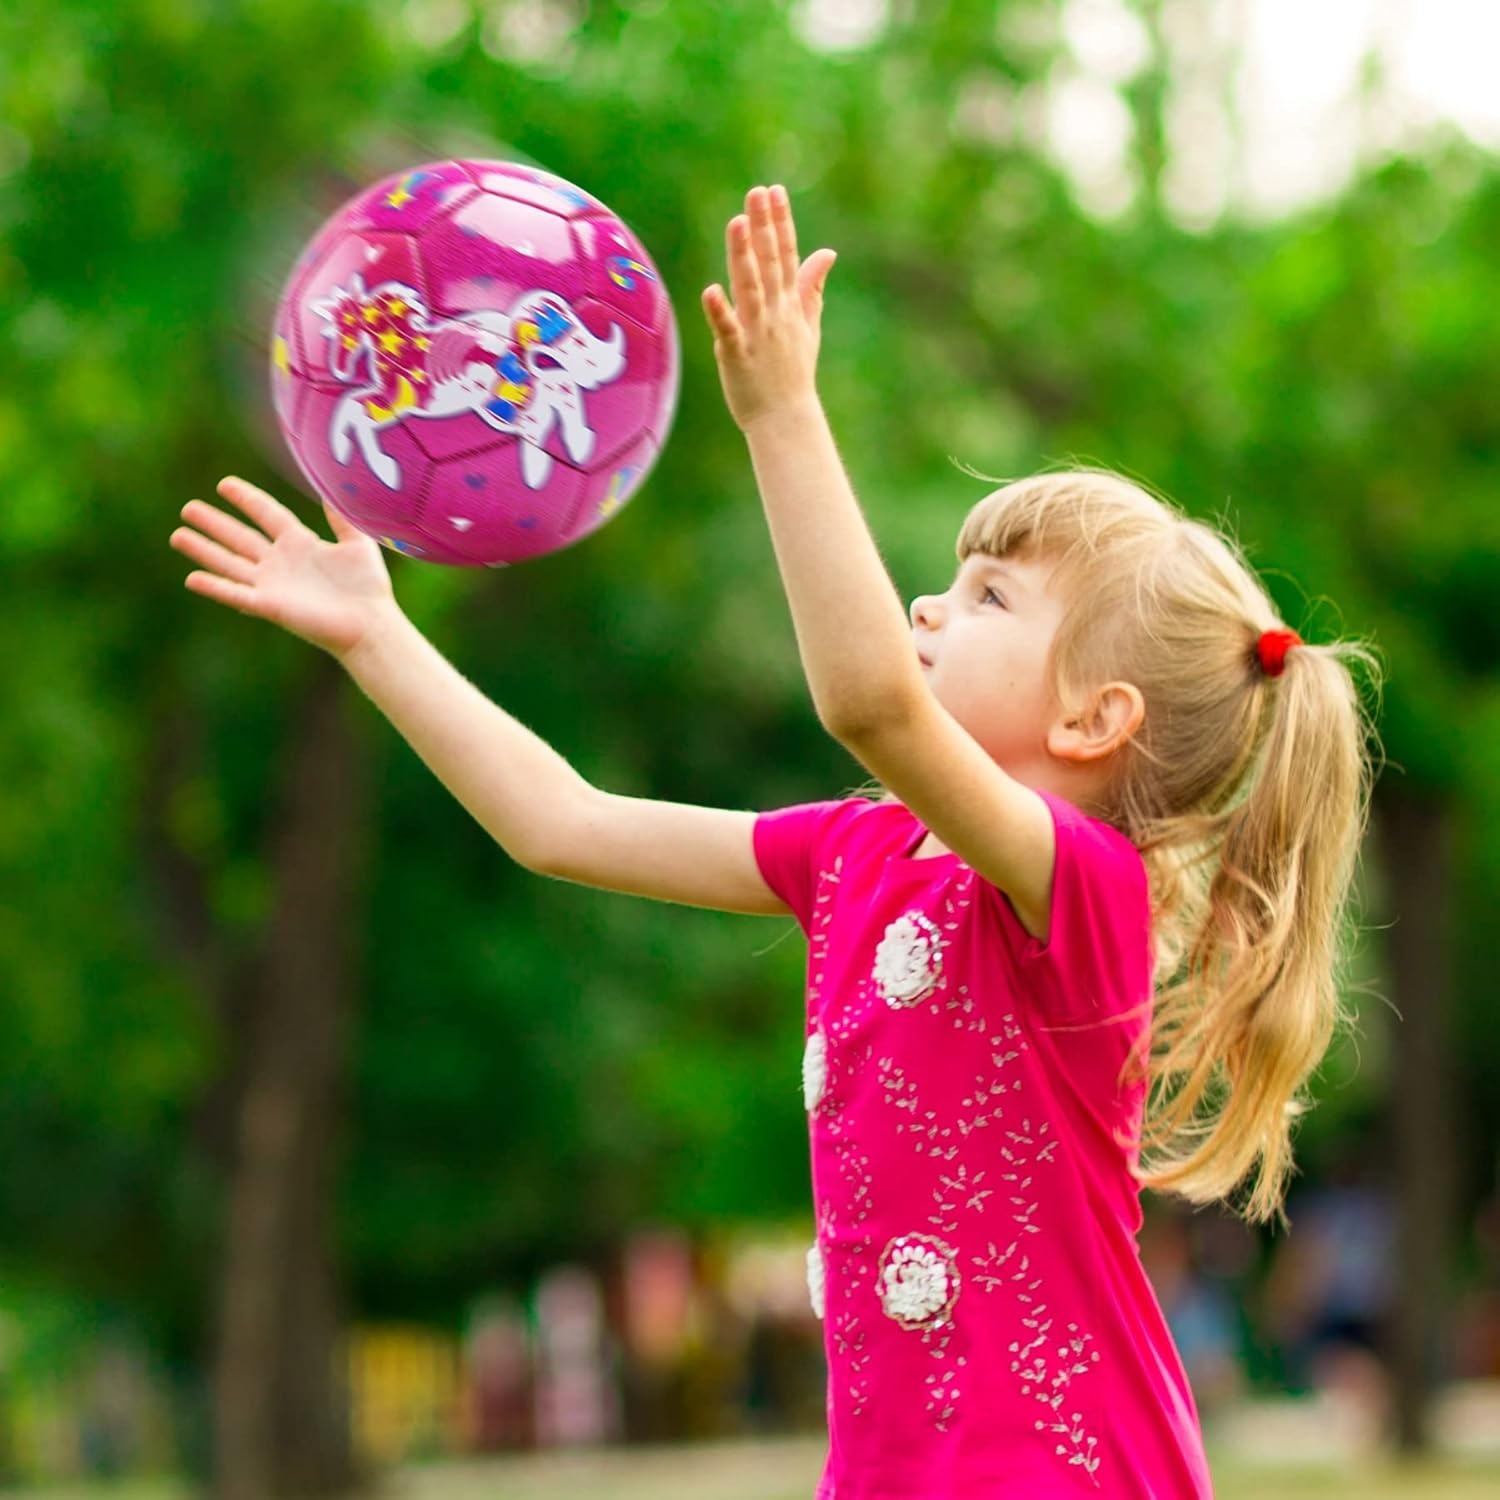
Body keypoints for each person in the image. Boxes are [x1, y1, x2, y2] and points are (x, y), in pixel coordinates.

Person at [171, 184, 1378, 1498]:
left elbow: (870, 703)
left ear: (1095, 718)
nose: (932, 596)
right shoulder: (856, 854)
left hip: (1066, 1469)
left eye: (989, 595)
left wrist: (783, 415)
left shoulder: (1085, 894)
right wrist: (378, 636)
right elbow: (560, 824)